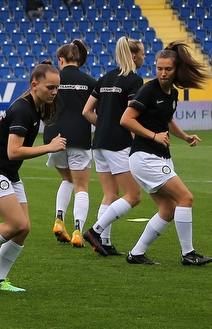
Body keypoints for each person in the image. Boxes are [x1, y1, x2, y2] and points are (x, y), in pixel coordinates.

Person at [0, 62, 66, 293]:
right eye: (50, 87)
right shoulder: (23, 110)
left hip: (8, 173)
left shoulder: (34, 108)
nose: (54, 92)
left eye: (57, 88)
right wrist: (49, 147)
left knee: (24, 228)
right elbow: (13, 151)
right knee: (16, 224)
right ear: (34, 85)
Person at [115, 42, 212, 266]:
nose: (163, 73)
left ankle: (136, 254)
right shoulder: (148, 90)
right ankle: (188, 254)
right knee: (185, 198)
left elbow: (167, 121)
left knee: (168, 209)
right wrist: (153, 135)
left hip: (158, 156)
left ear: (176, 70)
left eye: (167, 69)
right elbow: (126, 119)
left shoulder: (172, 94)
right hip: (145, 156)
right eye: (159, 68)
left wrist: (186, 137)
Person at [81, 37, 146, 257]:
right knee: (134, 195)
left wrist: (104, 126)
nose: (145, 57)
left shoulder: (105, 78)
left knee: (110, 194)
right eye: (143, 54)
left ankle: (105, 243)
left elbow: (87, 111)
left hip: (98, 143)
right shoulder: (135, 81)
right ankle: (96, 232)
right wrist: (138, 142)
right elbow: (131, 116)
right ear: (134, 56)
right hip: (118, 144)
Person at [46, 41, 97, 247]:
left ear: (61, 59)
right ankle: (77, 230)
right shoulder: (90, 82)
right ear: (79, 59)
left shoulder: (52, 81)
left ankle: (59, 219)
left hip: (53, 138)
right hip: (79, 138)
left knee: (67, 180)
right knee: (81, 185)